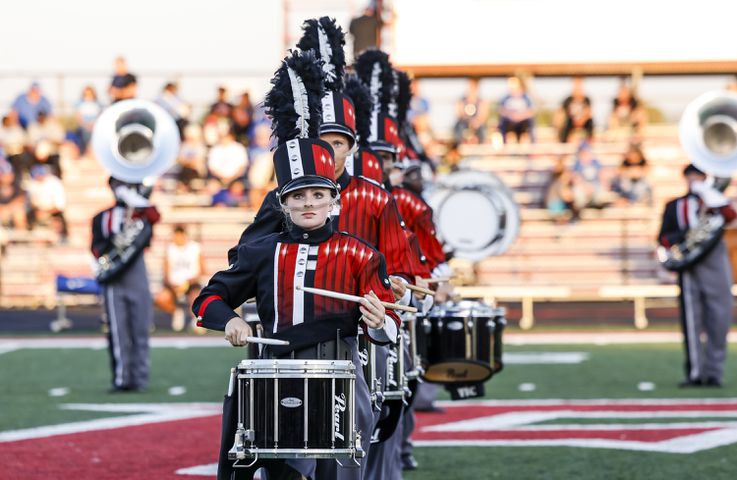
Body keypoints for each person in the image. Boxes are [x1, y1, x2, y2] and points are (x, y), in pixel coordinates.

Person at [194, 48, 399, 480]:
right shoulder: (262, 251)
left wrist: (380, 321)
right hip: (275, 374)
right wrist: (229, 320)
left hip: (343, 376)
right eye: (298, 196)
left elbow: (387, 330)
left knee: (338, 472)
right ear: (283, 204)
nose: (309, 203)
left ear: (333, 200)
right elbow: (209, 297)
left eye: (318, 195)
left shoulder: (361, 253)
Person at [657, 164, 736, 388]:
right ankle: (694, 373)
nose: (694, 180)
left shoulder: (714, 204)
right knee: (692, 323)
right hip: (689, 269)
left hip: (716, 265)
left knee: (720, 320)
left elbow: (730, 216)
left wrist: (709, 194)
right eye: (691, 176)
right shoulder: (675, 205)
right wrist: (686, 237)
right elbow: (663, 238)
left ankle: (714, 373)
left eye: (698, 176)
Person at [91, 177, 160, 392]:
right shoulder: (102, 217)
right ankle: (121, 379)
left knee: (140, 328)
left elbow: (154, 217)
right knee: (118, 332)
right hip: (114, 279)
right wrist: (113, 247)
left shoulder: (141, 214)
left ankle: (140, 378)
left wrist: (136, 200)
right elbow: (95, 247)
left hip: (137, 274)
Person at [157, 225, 205, 332]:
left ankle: (196, 320)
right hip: (173, 285)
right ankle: (177, 312)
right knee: (161, 299)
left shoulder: (195, 247)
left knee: (196, 298)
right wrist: (172, 284)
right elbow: (166, 272)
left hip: (191, 283)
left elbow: (202, 270)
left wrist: (188, 282)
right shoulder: (170, 248)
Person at [26, 164, 68, 242]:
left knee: (56, 221)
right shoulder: (32, 183)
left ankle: (59, 239)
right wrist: (38, 211)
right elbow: (29, 203)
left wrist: (46, 212)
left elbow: (60, 206)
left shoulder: (55, 183)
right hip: (37, 213)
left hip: (53, 213)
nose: (38, 178)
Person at [498, 76, 536, 144]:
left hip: (523, 123)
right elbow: (501, 110)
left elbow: (531, 111)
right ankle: (512, 153)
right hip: (510, 124)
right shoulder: (506, 98)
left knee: (525, 137)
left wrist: (520, 116)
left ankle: (524, 153)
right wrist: (512, 115)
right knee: (510, 136)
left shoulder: (526, 98)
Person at [556, 76, 594, 143]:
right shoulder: (568, 100)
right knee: (566, 122)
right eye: (575, 86)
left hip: (584, 122)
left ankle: (590, 142)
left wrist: (581, 121)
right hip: (571, 122)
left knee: (590, 122)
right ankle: (563, 142)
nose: (577, 88)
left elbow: (589, 113)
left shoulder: (586, 99)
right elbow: (561, 112)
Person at [453, 78, 488, 144]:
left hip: (477, 125)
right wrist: (469, 121)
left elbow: (483, 116)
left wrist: (476, 122)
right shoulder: (461, 101)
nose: (471, 90)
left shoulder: (481, 102)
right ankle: (460, 144)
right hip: (464, 124)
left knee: (482, 128)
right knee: (460, 126)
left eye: (473, 88)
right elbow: (459, 114)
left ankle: (480, 143)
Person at [74, 85, 103, 154]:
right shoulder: (80, 104)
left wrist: (93, 125)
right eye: (86, 94)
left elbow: (99, 116)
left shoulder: (98, 104)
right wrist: (86, 125)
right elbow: (79, 117)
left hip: (94, 126)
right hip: (84, 126)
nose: (88, 96)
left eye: (90, 94)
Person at [0, 159, 27, 230]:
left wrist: (7, 208)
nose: (8, 177)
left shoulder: (16, 186)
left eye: (9, 174)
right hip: (1, 211)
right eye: (5, 175)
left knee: (19, 213)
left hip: (10, 210)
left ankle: (21, 238)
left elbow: (21, 199)